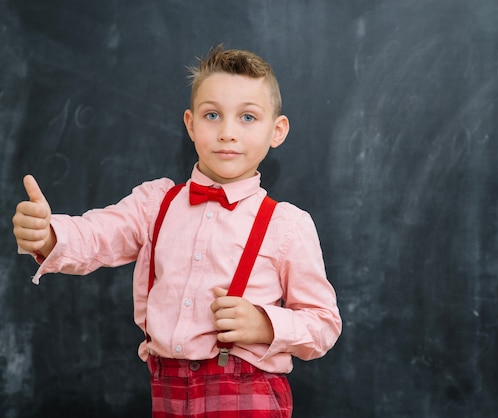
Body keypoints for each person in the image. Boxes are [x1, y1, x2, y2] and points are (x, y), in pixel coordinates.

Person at [12, 45, 342, 418]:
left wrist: (265, 324)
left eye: (247, 117)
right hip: (166, 389)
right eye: (212, 115)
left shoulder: (288, 224)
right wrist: (49, 234)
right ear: (190, 124)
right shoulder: (156, 203)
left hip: (250, 395)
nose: (227, 133)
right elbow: (98, 235)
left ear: (277, 131)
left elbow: (324, 324)